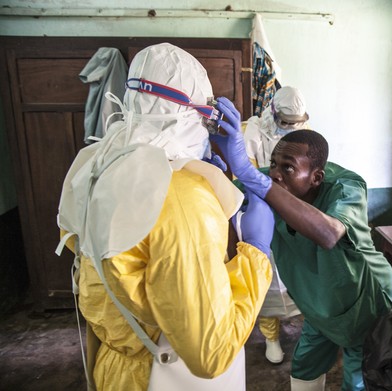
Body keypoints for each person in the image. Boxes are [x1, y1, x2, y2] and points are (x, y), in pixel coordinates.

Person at [56, 43, 274, 391]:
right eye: (207, 116)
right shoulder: (183, 198)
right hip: (167, 373)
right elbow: (210, 353)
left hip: (116, 364)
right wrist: (257, 255)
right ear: (192, 115)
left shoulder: (94, 163)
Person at [210, 104, 392, 391]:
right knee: (304, 369)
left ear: (316, 178)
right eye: (273, 164)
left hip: (366, 303)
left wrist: (251, 178)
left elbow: (328, 233)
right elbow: (225, 194)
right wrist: (208, 167)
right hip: (318, 306)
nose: (274, 174)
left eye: (287, 167)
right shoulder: (277, 180)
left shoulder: (345, 187)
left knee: (359, 378)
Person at [242, 86, 309, 364]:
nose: (291, 128)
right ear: (273, 113)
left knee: (300, 276)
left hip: (296, 211)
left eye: (296, 124)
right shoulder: (255, 132)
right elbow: (245, 171)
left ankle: (306, 330)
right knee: (268, 276)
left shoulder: (309, 134)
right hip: (265, 211)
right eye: (286, 123)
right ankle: (271, 337)